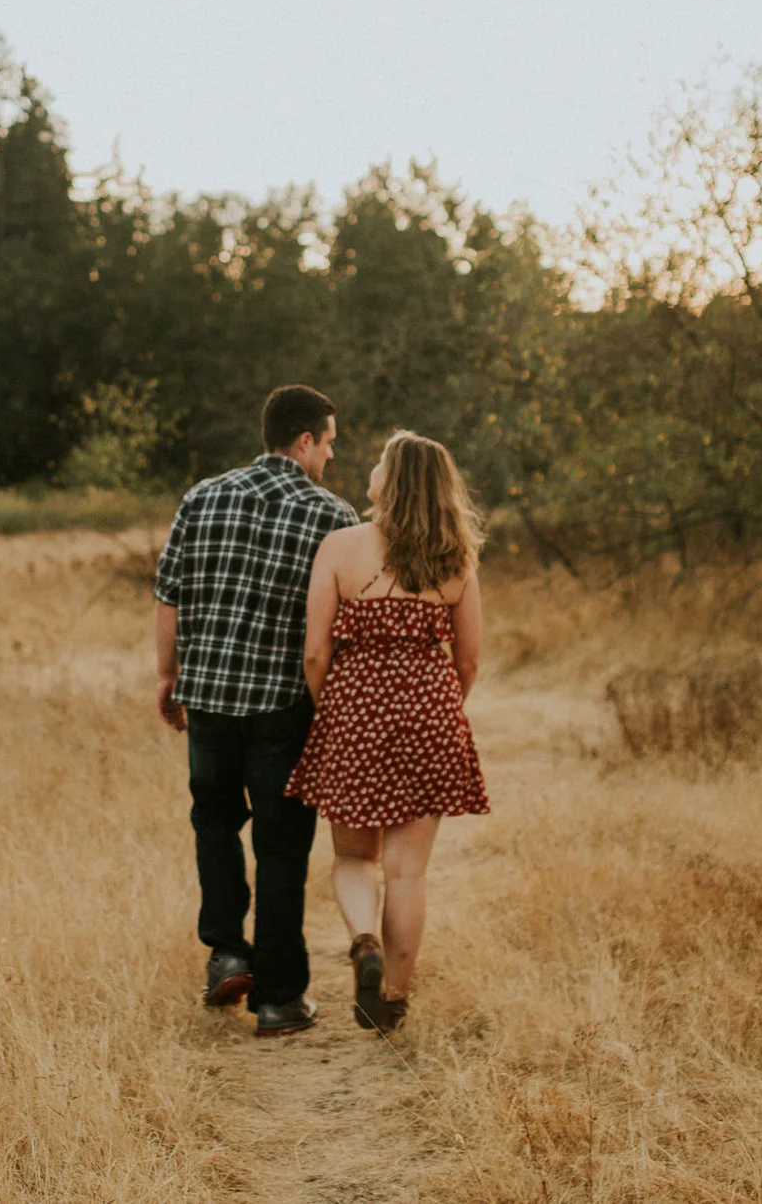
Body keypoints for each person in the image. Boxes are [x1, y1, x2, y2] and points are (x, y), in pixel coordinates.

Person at [154, 385, 361, 1038]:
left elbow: (170, 597)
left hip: (209, 697)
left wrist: (168, 673)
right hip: (283, 707)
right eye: (328, 441)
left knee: (213, 820)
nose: (330, 454)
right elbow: (337, 626)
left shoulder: (202, 495)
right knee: (280, 845)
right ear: (304, 439)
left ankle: (227, 953)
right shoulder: (334, 516)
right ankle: (278, 998)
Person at [284, 430, 489, 1034]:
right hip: (430, 712)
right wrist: (435, 707)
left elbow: (316, 653)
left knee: (353, 857)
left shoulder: (341, 547)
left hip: (353, 710)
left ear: (391, 481)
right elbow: (469, 660)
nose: (368, 469)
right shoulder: (457, 559)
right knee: (407, 870)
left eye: (378, 462)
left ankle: (365, 941)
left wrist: (337, 713)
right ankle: (391, 999)